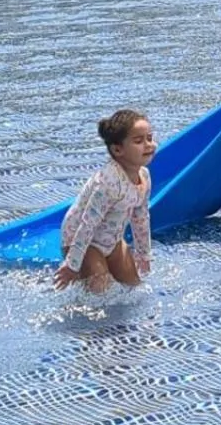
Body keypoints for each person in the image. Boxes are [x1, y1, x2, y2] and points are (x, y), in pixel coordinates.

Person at [54, 109, 155, 292]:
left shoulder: (144, 177)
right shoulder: (108, 183)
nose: (149, 145)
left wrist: (143, 254)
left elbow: (141, 217)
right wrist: (72, 264)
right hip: (82, 239)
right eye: (139, 141)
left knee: (134, 285)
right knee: (100, 289)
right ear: (118, 149)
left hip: (111, 240)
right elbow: (88, 224)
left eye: (149, 137)